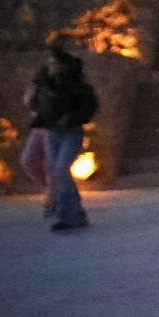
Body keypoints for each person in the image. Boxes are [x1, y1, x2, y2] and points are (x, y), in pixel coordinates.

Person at [38, 46, 98, 232]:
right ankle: (73, 214)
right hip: (53, 131)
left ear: (63, 66)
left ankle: (70, 215)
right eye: (50, 63)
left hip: (70, 131)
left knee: (61, 171)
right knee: (57, 173)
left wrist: (71, 117)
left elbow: (88, 107)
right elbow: (41, 105)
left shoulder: (76, 86)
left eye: (54, 63)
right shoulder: (47, 85)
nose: (51, 66)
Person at [19, 64, 54, 214]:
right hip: (39, 128)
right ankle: (52, 188)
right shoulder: (35, 89)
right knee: (28, 160)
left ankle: (53, 199)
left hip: (53, 128)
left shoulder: (55, 88)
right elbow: (28, 103)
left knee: (50, 164)